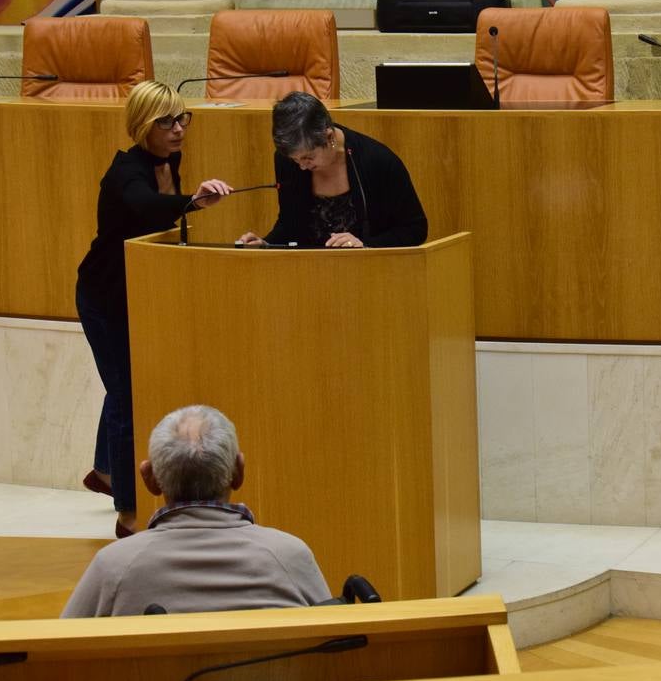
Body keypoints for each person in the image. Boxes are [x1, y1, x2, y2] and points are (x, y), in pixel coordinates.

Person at [76, 81, 233, 538]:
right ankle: (128, 511)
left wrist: (191, 203)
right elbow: (144, 205)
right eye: (166, 121)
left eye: (183, 117)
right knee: (126, 396)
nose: (179, 128)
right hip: (104, 297)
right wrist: (193, 202)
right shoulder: (127, 172)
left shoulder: (170, 161)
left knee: (122, 385)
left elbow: (156, 218)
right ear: (144, 125)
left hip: (136, 291)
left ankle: (105, 470)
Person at [62, 405, 331, 617]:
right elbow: (341, 642)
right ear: (238, 472)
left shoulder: (113, 567)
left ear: (149, 478)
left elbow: (60, 650)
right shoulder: (291, 557)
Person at [237, 92, 427, 248]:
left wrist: (366, 245)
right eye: (295, 160)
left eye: (308, 157)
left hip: (371, 274)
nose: (302, 166)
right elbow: (290, 223)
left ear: (329, 138)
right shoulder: (287, 161)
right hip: (308, 272)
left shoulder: (378, 161)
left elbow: (415, 229)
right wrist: (266, 244)